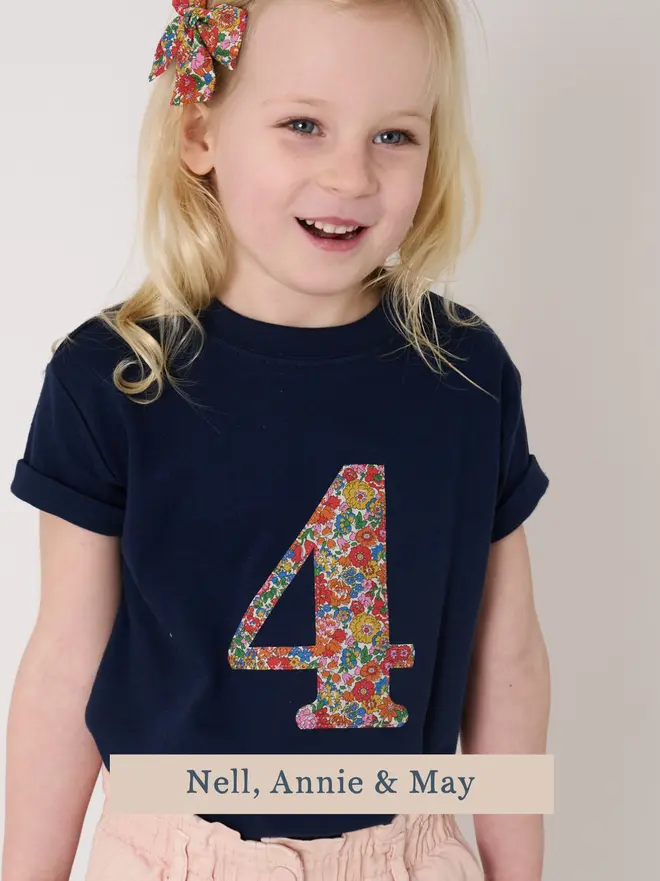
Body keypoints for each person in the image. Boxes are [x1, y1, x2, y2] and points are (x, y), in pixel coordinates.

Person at [3, 0, 551, 879]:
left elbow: (508, 646)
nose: (350, 177)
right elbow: (66, 662)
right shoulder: (111, 376)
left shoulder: (466, 375)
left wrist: (518, 868)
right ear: (200, 131)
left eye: (395, 136)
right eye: (304, 125)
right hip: (168, 852)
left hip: (402, 852)